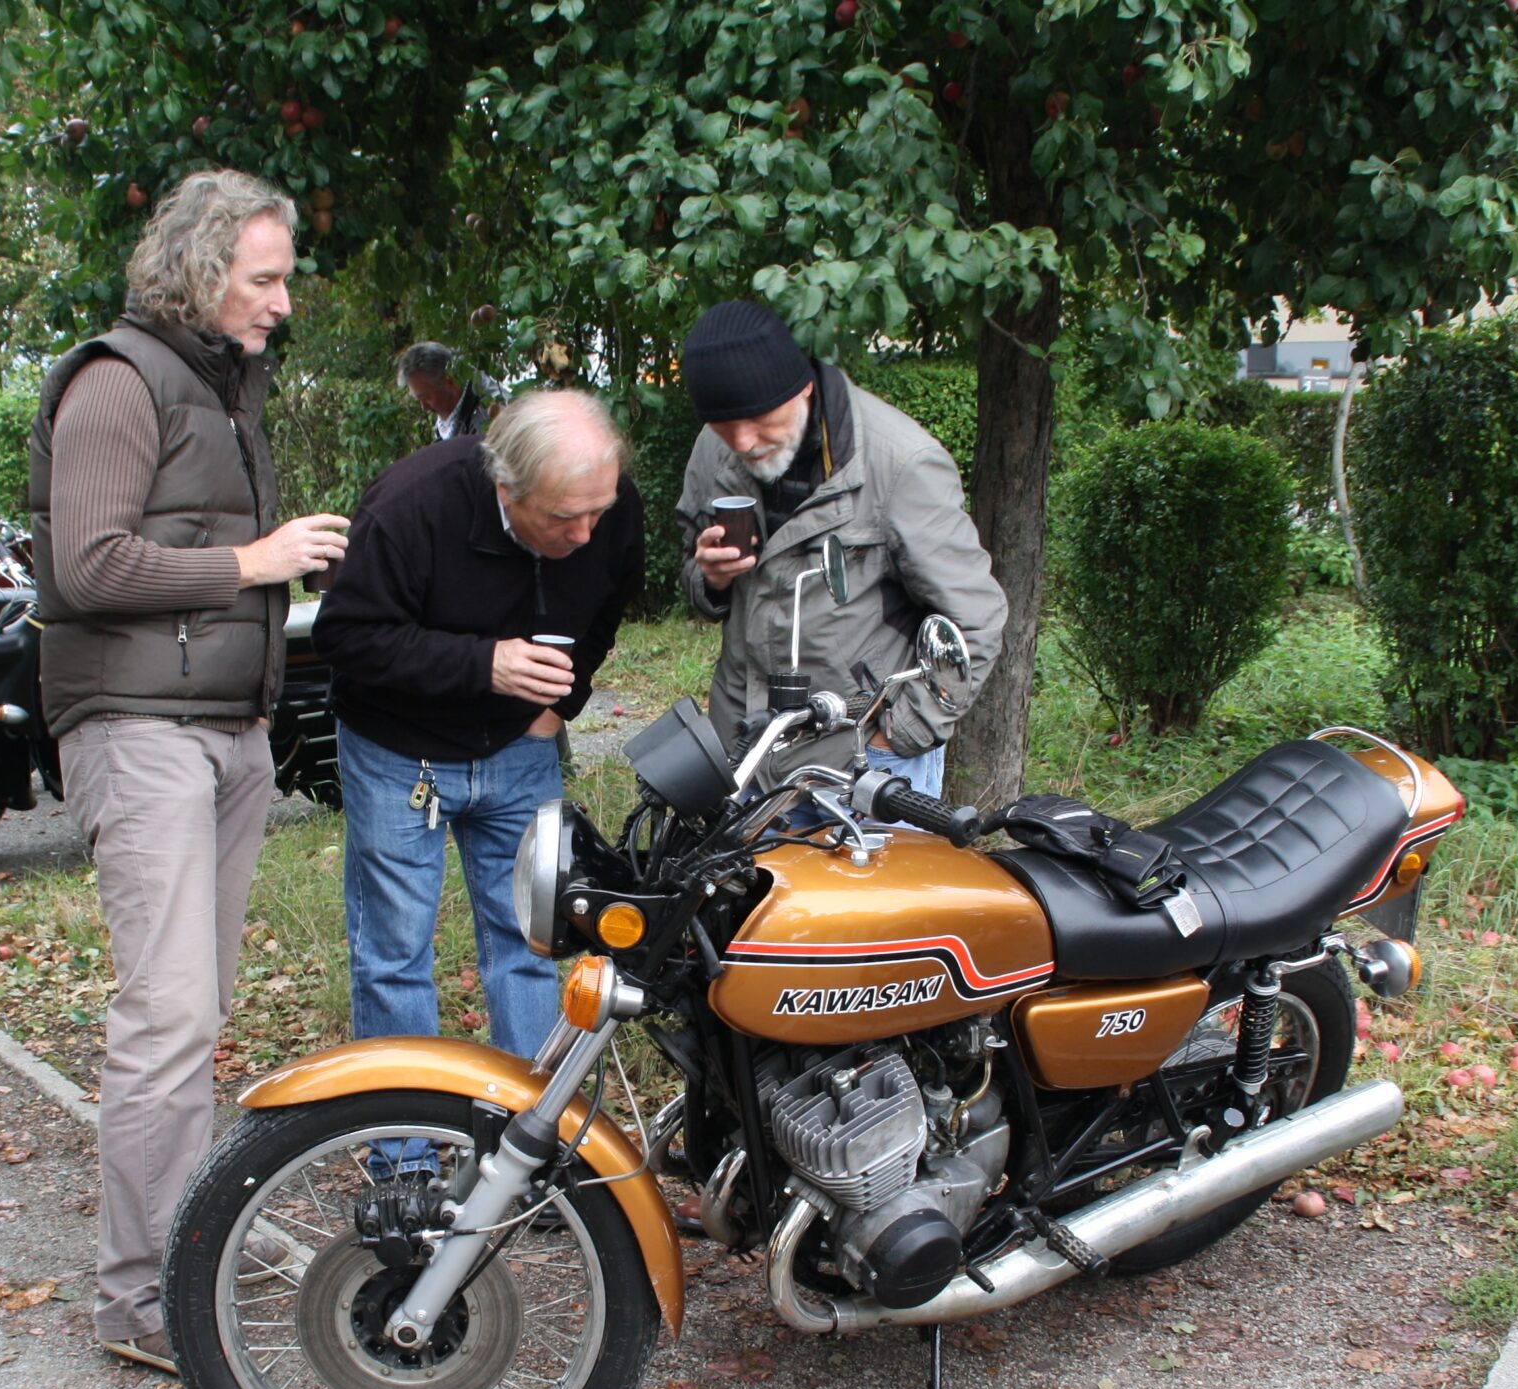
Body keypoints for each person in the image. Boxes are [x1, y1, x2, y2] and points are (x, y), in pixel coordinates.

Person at [27, 169, 350, 1375]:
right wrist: (255, 562)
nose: (281, 302)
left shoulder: (224, 387)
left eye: (283, 279)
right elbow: (89, 566)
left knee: (196, 1012)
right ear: (201, 270)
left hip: (226, 730)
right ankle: (141, 1302)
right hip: (137, 728)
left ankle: (183, 1246)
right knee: (165, 1018)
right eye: (264, 279)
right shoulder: (117, 381)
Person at [315, 390, 642, 1075]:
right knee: (394, 953)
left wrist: (562, 701)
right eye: (563, 518)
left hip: (521, 747)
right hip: (399, 750)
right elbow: (346, 636)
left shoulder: (605, 505)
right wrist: (484, 664)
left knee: (530, 941)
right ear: (506, 488)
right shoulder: (411, 505)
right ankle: (405, 1132)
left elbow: (608, 604)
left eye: (598, 512)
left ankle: (536, 1126)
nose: (586, 534)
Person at [675, 301, 1007, 797]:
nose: (743, 441)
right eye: (725, 426)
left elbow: (976, 617)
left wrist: (901, 735)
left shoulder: (901, 465)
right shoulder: (713, 448)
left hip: (862, 762)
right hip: (744, 750)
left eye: (760, 419)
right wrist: (711, 579)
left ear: (802, 388)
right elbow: (692, 568)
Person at [395, 341, 501, 441]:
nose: (424, 407)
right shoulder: (450, 423)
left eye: (425, 398)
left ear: (450, 381)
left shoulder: (491, 415)